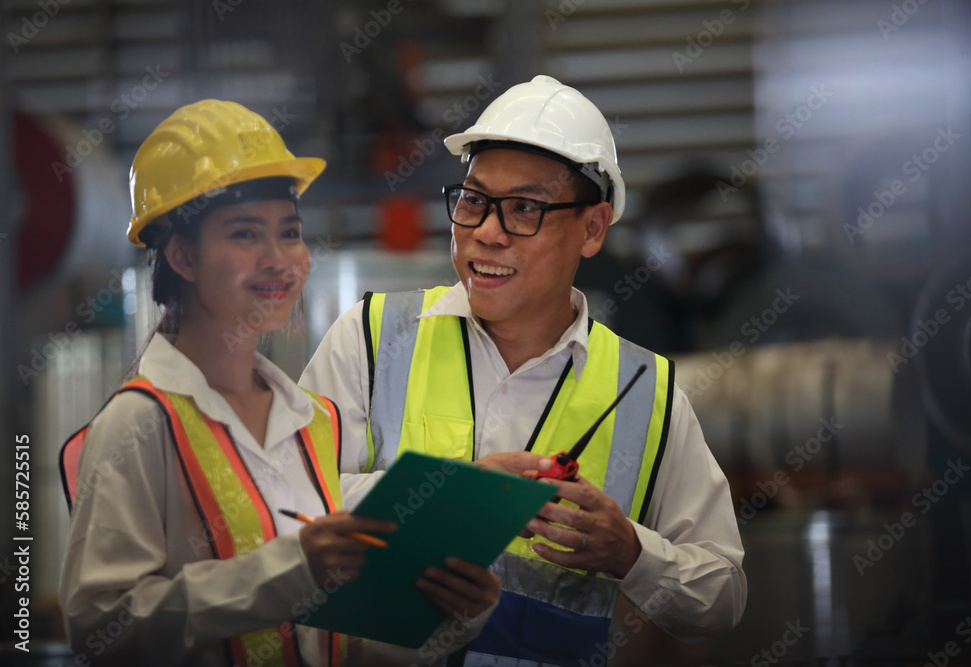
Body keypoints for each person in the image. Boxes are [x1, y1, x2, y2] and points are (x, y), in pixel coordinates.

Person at [300, 75, 747, 666]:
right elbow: (282, 509)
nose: (486, 232)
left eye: (525, 209)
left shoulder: (647, 394)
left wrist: (632, 554)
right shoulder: (371, 338)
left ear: (593, 228)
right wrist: (448, 500)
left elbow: (721, 598)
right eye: (473, 200)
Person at [58, 99, 505, 667]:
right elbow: (102, 628)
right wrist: (291, 573)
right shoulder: (141, 424)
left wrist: (451, 619)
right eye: (245, 234)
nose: (278, 260)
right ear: (182, 256)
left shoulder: (311, 421)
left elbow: (329, 640)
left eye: (290, 233)